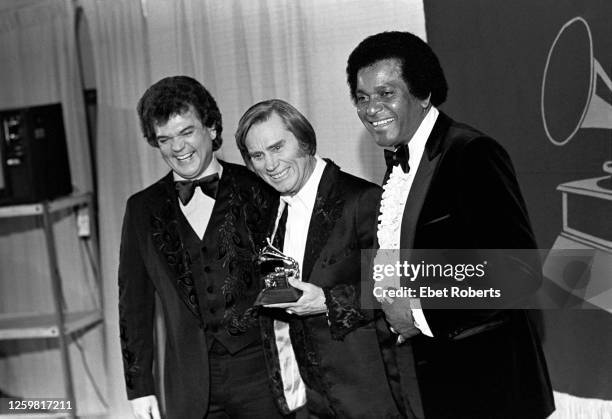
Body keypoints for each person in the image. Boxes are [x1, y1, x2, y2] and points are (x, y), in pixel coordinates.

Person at [346, 32, 555, 418]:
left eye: (386, 93)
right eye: (362, 97)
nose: (371, 109)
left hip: (494, 388)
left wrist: (419, 310)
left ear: (424, 93)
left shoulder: (471, 153)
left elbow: (519, 271)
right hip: (437, 381)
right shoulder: (399, 162)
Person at [118, 76, 282, 419]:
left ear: (210, 127)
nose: (177, 148)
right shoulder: (141, 209)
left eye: (186, 132)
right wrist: (140, 388)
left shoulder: (261, 189)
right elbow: (133, 306)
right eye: (165, 139)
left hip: (264, 377)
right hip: (188, 385)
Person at [235, 99, 403, 418]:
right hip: (313, 400)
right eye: (258, 155)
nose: (270, 164)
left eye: (277, 147)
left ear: (305, 141)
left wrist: (327, 301)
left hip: (372, 397)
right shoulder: (272, 210)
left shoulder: (361, 199)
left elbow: (397, 290)